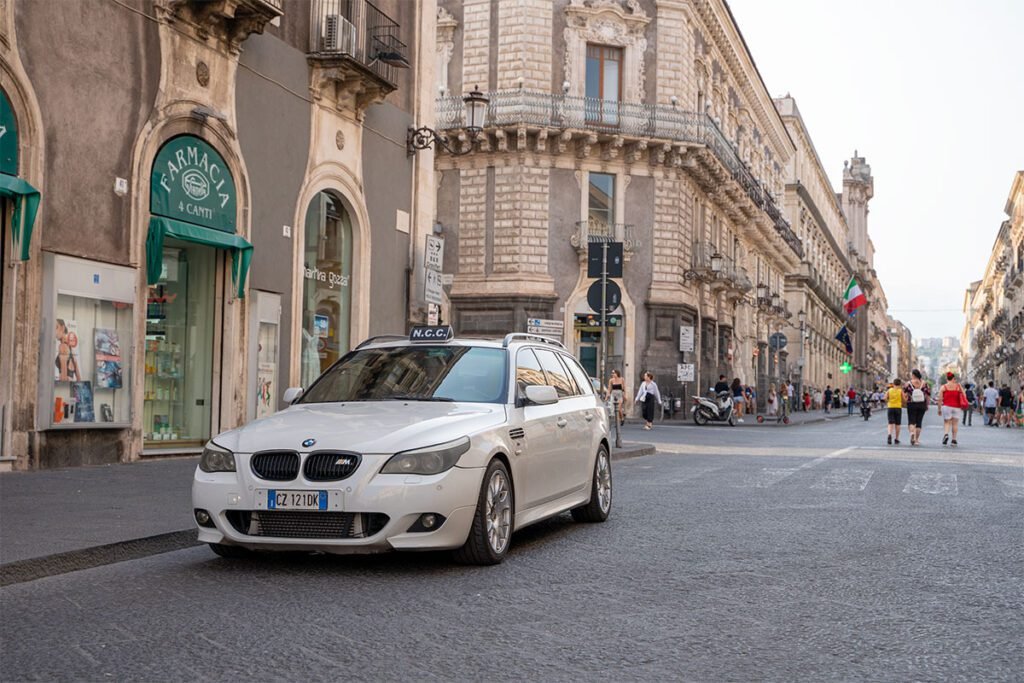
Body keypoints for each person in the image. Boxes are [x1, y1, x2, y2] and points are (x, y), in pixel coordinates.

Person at [937, 371, 967, 446]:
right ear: (953, 378)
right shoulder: (958, 386)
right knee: (955, 423)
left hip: (946, 406)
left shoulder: (944, 387)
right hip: (957, 407)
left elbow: (940, 399)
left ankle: (946, 434)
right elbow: (964, 395)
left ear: (947, 378)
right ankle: (954, 440)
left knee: (947, 422)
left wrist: (939, 409)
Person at [903, 369, 930, 446]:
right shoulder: (925, 384)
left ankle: (912, 433)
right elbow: (928, 395)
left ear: (913, 375)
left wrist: (905, 401)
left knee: (911, 421)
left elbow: (905, 395)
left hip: (911, 403)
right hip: (922, 404)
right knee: (919, 422)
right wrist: (927, 405)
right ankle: (916, 440)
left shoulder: (908, 384)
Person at [886, 378, 904, 445]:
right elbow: (904, 399)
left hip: (890, 407)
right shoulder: (900, 391)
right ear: (900, 384)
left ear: (893, 384)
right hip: (898, 408)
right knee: (897, 424)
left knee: (890, 423)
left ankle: (889, 434)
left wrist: (888, 401)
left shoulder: (889, 390)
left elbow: (885, 398)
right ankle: (896, 438)